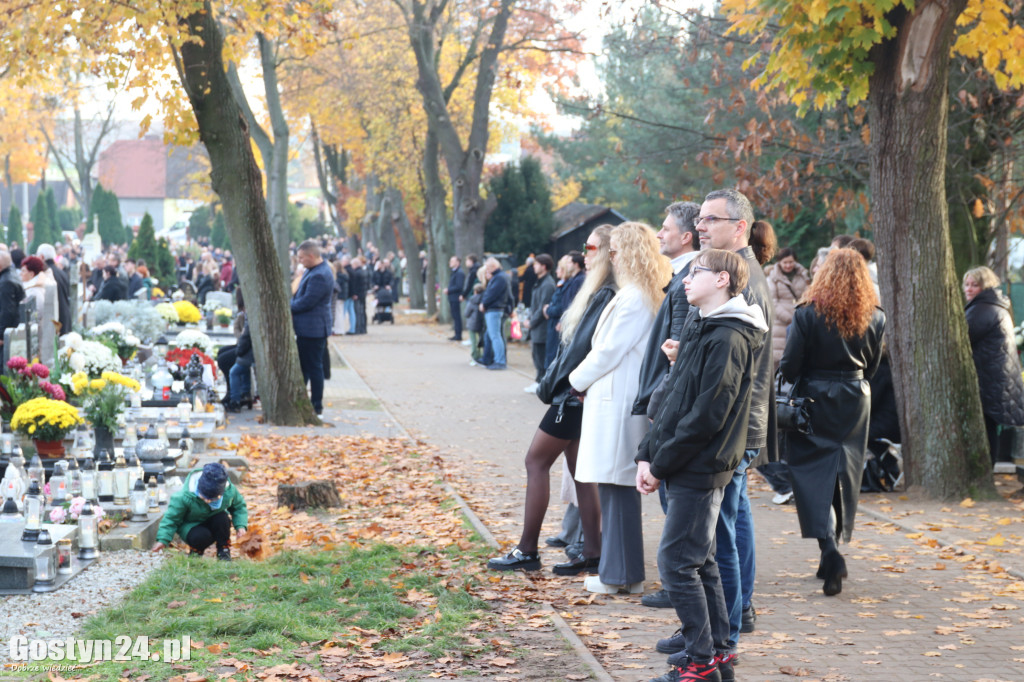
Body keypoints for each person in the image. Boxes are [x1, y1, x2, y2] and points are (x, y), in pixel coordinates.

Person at [639, 248, 766, 682]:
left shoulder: (729, 337)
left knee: (676, 563)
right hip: (686, 460)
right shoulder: (702, 322)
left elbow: (707, 415)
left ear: (723, 280)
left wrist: (660, 463)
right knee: (701, 560)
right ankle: (717, 652)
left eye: (697, 272)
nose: (686, 280)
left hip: (701, 464)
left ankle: (701, 662)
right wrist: (646, 452)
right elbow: (674, 396)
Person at [486, 226, 614, 575]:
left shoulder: (604, 292)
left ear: (606, 252)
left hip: (571, 395)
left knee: (536, 461)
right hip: (577, 392)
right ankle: (592, 551)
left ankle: (528, 549)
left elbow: (578, 350)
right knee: (580, 472)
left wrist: (552, 384)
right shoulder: (602, 289)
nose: (584, 253)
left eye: (590, 247)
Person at [569, 221, 670, 595]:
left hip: (619, 402)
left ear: (628, 254)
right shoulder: (636, 294)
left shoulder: (634, 298)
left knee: (618, 488)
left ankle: (619, 574)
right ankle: (621, 572)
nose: (610, 258)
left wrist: (575, 379)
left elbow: (607, 352)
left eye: (614, 251)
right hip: (617, 398)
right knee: (615, 489)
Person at [779, 248, 886, 596]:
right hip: (856, 398)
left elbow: (790, 364)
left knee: (812, 474)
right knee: (844, 473)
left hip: (815, 397)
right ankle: (830, 553)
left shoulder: (808, 314)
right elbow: (872, 366)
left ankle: (829, 550)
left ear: (825, 274)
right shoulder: (875, 316)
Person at [628, 200, 701, 609]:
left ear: (686, 236)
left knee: (676, 505)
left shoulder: (690, 280)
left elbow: (677, 353)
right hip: (668, 398)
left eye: (666, 228)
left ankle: (680, 589)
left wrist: (659, 402)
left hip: (672, 403)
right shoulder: (681, 277)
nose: (659, 233)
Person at [963, 266, 1024, 464]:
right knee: (988, 429)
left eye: (974, 285)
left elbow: (961, 338)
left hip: (989, 381)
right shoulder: (994, 306)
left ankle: (985, 471)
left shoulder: (982, 309)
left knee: (986, 431)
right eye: (967, 284)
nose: (969, 289)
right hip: (996, 380)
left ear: (985, 286)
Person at [151, 463, 248, 560]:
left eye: (213, 499)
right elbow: (171, 519)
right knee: (200, 536)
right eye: (204, 496)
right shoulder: (184, 497)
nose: (207, 501)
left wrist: (240, 526)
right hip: (191, 525)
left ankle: (224, 550)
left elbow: (239, 507)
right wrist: (163, 539)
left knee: (223, 519)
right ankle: (196, 551)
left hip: (214, 520)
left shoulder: (229, 491)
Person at [291, 240, 334, 415]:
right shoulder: (313, 270)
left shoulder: (320, 275)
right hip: (308, 328)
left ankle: (317, 405)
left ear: (311, 255)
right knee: (306, 368)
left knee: (314, 367)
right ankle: (304, 403)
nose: (300, 261)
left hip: (313, 329)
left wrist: (285, 307)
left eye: (301, 258)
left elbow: (307, 302)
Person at [544, 251, 585, 367]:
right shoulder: (573, 280)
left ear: (576, 264)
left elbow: (572, 304)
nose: (567, 265)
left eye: (569, 262)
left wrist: (563, 320)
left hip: (570, 323)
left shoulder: (579, 280)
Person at [524, 254, 556, 392]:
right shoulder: (541, 282)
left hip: (542, 328)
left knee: (541, 357)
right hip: (537, 327)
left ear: (544, 266)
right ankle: (538, 382)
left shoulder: (547, 284)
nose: (534, 267)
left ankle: (541, 384)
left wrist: (531, 322)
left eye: (536, 264)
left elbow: (543, 307)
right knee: (536, 355)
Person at [479, 257, 512, 370]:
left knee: (495, 336)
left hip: (494, 309)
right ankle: (488, 358)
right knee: (489, 335)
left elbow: (492, 294)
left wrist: (484, 303)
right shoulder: (500, 277)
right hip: (494, 309)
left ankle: (500, 361)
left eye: (488, 267)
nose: (487, 270)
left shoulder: (499, 278)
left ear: (494, 266)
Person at [36, 244, 71, 336]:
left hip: (55, 319)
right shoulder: (62, 272)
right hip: (65, 315)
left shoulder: (46, 274)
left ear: (41, 257)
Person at [0, 251, 26, 348]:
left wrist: (1, 335)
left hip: (9, 333)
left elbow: (7, 311)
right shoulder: (11, 274)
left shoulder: (5, 282)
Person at [444, 256, 466, 341]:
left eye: (452, 261)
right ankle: (456, 334)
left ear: (457, 262)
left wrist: (449, 290)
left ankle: (458, 335)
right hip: (452, 297)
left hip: (455, 297)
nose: (450, 263)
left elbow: (459, 286)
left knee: (456, 316)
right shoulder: (455, 272)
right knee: (455, 316)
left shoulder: (459, 273)